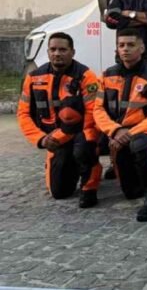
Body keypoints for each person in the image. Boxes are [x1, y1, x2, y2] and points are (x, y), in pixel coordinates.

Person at [93, 28, 147, 222]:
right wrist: (116, 130)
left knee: (140, 146)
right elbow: (98, 110)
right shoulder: (106, 76)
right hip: (116, 133)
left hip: (146, 132)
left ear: (142, 48)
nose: (125, 49)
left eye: (130, 45)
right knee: (131, 192)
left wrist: (130, 132)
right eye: (121, 45)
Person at [17, 33, 102, 207]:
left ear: (72, 52)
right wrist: (40, 139)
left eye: (62, 49)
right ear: (48, 52)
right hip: (52, 139)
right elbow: (23, 114)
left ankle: (89, 185)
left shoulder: (86, 77)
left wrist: (59, 137)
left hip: (80, 133)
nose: (57, 53)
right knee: (59, 193)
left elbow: (92, 115)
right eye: (53, 49)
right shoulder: (33, 78)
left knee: (84, 149)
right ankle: (64, 164)